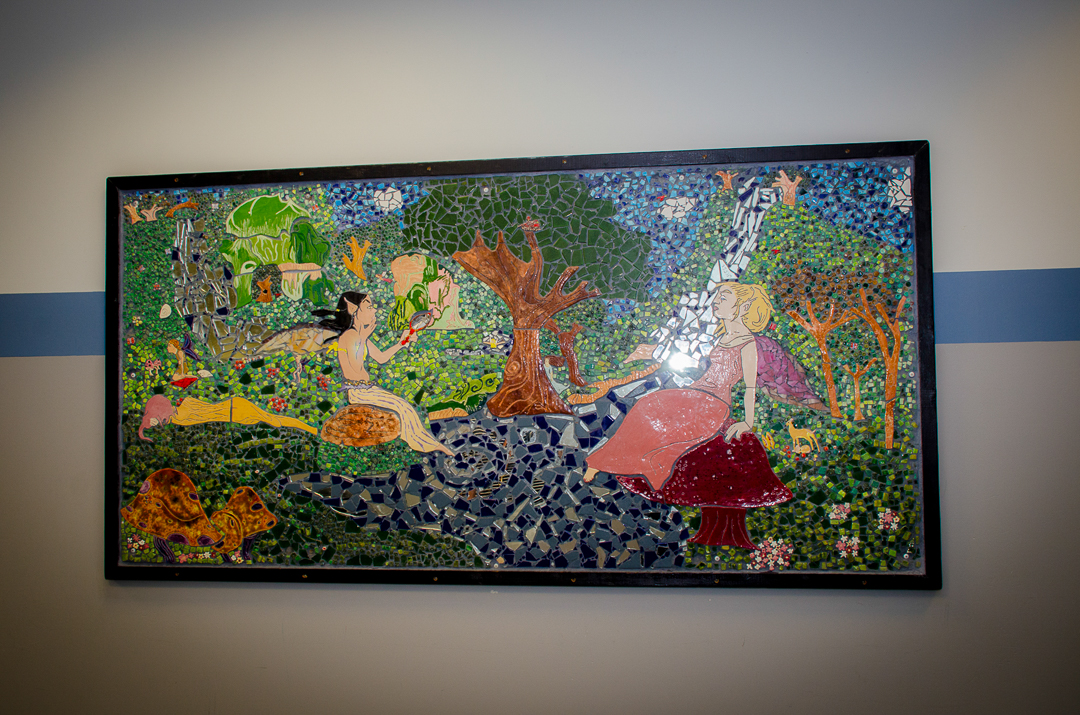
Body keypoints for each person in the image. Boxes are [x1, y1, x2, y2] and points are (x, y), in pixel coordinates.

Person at [583, 282, 803, 548]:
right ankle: (610, 460)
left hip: (714, 403)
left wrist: (747, 421)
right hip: (696, 392)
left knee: (652, 406)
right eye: (717, 297)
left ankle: (623, 463)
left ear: (742, 306)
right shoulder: (722, 337)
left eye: (724, 298)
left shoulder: (748, 344)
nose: (716, 302)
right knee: (649, 404)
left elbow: (749, 387)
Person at [314, 292, 453, 456]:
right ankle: (425, 446)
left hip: (368, 389)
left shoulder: (361, 336)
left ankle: (428, 444)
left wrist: (402, 343)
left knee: (405, 406)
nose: (374, 310)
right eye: (369, 306)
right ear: (353, 309)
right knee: (403, 407)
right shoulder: (349, 336)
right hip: (358, 392)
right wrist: (362, 338)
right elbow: (355, 368)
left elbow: (381, 358)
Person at [138, 394, 316, 441]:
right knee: (274, 420)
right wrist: (145, 426)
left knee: (274, 420)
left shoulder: (185, 407)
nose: (155, 423)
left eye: (155, 419)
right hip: (234, 414)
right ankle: (312, 429)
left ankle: (311, 429)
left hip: (235, 408)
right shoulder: (178, 416)